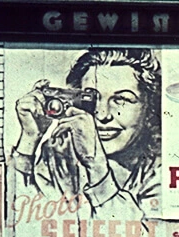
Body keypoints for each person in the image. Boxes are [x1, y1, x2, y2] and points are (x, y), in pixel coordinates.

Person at [11, 48, 161, 219]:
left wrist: (96, 165)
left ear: (149, 108)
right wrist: (29, 139)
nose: (103, 115)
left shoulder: (161, 169)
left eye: (121, 100)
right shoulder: (59, 153)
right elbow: (17, 223)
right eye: (92, 98)